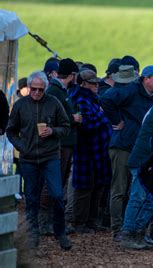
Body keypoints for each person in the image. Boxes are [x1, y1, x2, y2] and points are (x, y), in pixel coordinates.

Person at [6, 71, 72, 250]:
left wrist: (53, 131)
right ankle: (32, 234)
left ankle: (60, 232)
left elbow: (66, 127)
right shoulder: (20, 105)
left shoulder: (54, 103)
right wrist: (22, 146)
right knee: (31, 198)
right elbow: (10, 130)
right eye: (33, 89)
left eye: (40, 90)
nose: (36, 93)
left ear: (45, 88)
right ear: (29, 87)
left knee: (58, 195)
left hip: (50, 156)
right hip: (28, 158)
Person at [100, 65, 153, 240]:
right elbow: (106, 99)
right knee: (119, 189)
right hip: (122, 145)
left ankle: (131, 228)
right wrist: (117, 121)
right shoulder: (131, 90)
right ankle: (117, 229)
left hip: (136, 147)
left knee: (134, 191)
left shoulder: (148, 95)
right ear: (146, 78)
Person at [120, 84, 153, 250]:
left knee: (151, 201)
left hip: (148, 160)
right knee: (139, 198)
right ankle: (129, 234)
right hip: (144, 161)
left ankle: (138, 233)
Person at [69, 70, 113, 233]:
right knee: (84, 188)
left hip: (98, 150)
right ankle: (80, 223)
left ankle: (91, 221)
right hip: (86, 150)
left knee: (98, 186)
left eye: (96, 83)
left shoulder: (92, 99)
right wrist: (103, 117)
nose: (96, 85)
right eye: (93, 83)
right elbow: (86, 124)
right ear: (84, 84)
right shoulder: (80, 99)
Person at [43, 58, 81, 235]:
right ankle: (46, 223)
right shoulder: (55, 91)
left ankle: (52, 222)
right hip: (60, 144)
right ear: (72, 75)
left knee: (58, 183)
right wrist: (73, 118)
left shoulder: (59, 90)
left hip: (64, 142)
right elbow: (52, 115)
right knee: (53, 183)